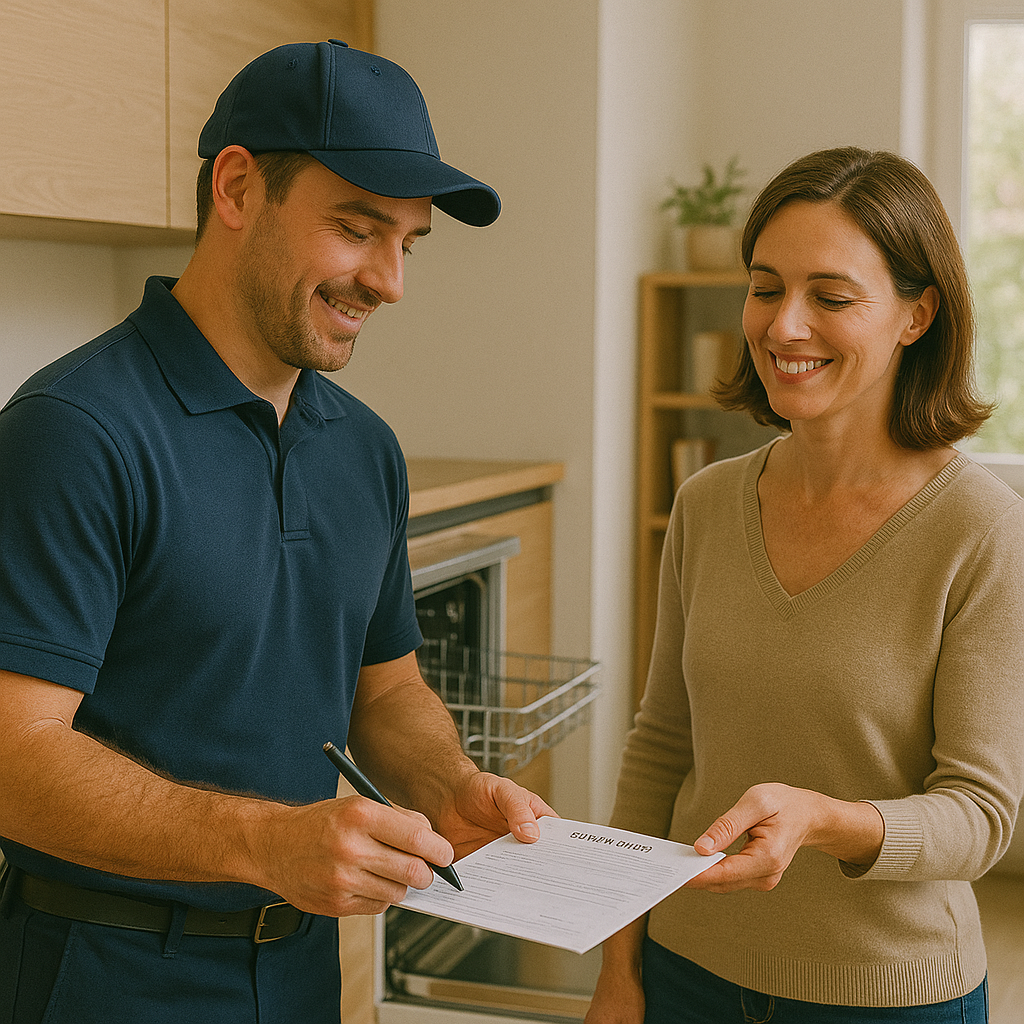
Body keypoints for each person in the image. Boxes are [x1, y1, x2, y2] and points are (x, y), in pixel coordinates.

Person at [0, 40, 554, 1024]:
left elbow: (385, 689)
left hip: (300, 969)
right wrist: (267, 841)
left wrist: (453, 783)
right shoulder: (72, 429)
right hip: (104, 975)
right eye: (356, 229)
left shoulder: (365, 449)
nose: (388, 280)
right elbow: (12, 755)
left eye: (408, 243)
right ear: (237, 187)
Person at [586, 147, 1024, 1024]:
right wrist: (617, 967)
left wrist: (827, 820)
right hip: (684, 973)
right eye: (765, 287)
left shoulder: (982, 527)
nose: (785, 326)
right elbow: (661, 750)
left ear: (916, 314)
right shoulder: (707, 503)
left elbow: (980, 816)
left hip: (888, 998)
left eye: (831, 297)